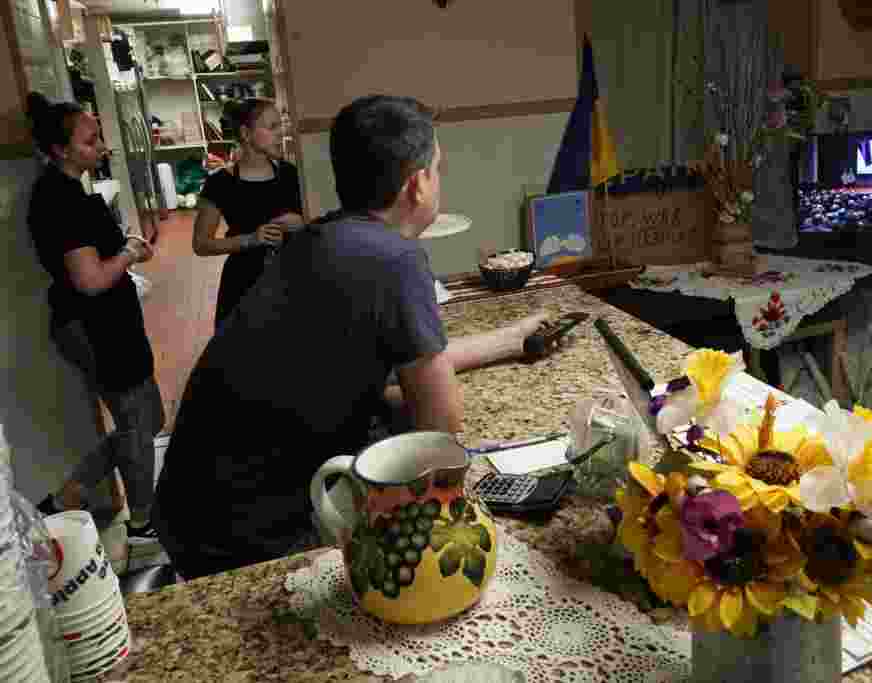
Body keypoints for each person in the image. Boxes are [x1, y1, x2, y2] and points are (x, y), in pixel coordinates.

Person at [152, 95, 553, 580]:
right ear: (419, 183)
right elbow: (439, 428)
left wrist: (513, 340)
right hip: (245, 536)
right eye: (438, 168)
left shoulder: (320, 239)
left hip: (187, 508)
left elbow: (390, 374)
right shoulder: (394, 260)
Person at [25, 92, 165, 543]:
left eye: (98, 136)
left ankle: (66, 495)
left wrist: (119, 250)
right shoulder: (59, 200)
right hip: (95, 329)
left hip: (112, 324)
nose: (102, 146)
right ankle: (144, 524)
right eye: (90, 141)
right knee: (138, 426)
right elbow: (88, 281)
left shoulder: (69, 189)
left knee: (147, 421)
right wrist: (128, 252)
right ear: (60, 150)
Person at [192, 98, 304, 329]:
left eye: (280, 126)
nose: (280, 133)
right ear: (246, 133)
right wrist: (251, 239)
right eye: (272, 127)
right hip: (244, 284)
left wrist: (302, 223)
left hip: (293, 279)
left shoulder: (291, 175)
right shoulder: (220, 184)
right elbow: (201, 244)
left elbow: (320, 226)